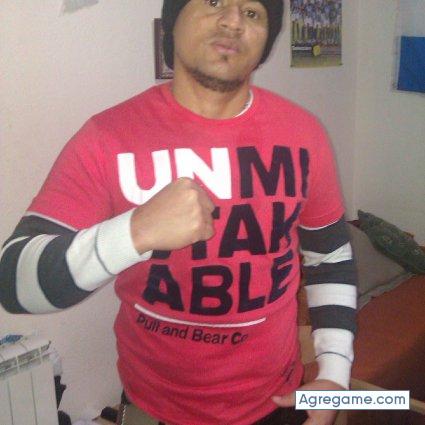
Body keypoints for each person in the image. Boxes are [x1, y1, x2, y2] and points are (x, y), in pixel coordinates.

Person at [0, 1, 357, 424]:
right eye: (214, 2)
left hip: (277, 405)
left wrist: (335, 376)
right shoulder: (108, 137)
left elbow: (330, 257)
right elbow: (12, 280)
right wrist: (134, 232)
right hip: (153, 410)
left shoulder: (303, 134)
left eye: (252, 12)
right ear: (172, 22)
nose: (232, 21)